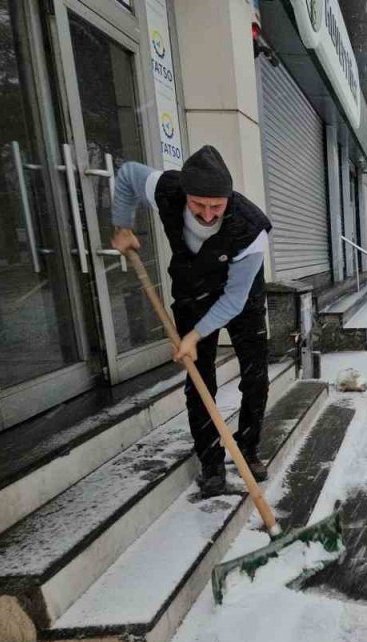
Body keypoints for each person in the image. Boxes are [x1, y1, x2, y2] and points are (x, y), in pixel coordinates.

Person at [110, 146, 272, 498]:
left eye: (218, 206)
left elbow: (233, 300)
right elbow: (127, 176)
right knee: (200, 380)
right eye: (200, 205)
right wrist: (122, 225)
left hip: (241, 298)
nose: (209, 215)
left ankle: (248, 450)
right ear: (186, 195)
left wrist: (195, 335)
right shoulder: (168, 189)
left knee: (255, 375)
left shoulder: (250, 227)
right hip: (191, 291)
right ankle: (211, 464)